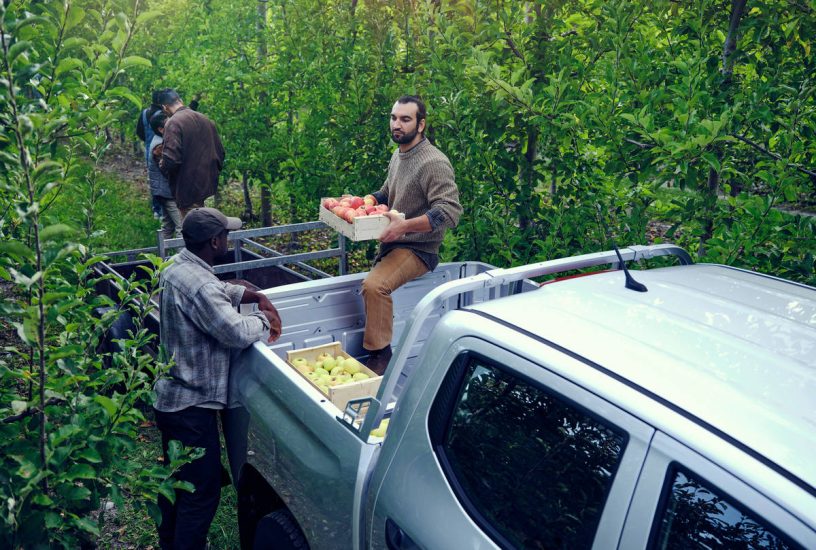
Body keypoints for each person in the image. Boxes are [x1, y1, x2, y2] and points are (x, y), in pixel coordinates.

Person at [153, 207, 282, 550]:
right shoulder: (200, 287)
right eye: (226, 234)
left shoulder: (178, 266)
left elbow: (213, 289)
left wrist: (245, 294)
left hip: (171, 400)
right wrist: (266, 321)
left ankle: (170, 542)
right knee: (202, 491)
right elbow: (236, 331)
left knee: (179, 481)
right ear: (214, 241)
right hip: (190, 408)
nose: (228, 238)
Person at [361, 95, 462, 374]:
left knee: (374, 286)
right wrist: (366, 200)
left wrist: (404, 227)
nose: (397, 124)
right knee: (367, 286)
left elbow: (449, 212)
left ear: (421, 125)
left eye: (405, 119)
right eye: (394, 118)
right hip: (393, 244)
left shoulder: (433, 162)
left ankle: (381, 356)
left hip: (419, 249)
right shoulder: (399, 154)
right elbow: (387, 193)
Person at [158, 88, 225, 218]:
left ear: (165, 108)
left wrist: (161, 164)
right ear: (180, 100)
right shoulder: (205, 119)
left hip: (188, 191)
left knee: (194, 232)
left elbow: (171, 160)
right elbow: (221, 152)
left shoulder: (173, 123)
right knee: (210, 227)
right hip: (209, 187)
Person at [148, 111, 182, 239]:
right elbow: (169, 168)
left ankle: (162, 257)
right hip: (167, 193)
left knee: (168, 227)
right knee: (181, 227)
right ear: (161, 129)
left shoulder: (161, 140)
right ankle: (182, 258)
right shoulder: (159, 146)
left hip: (164, 191)